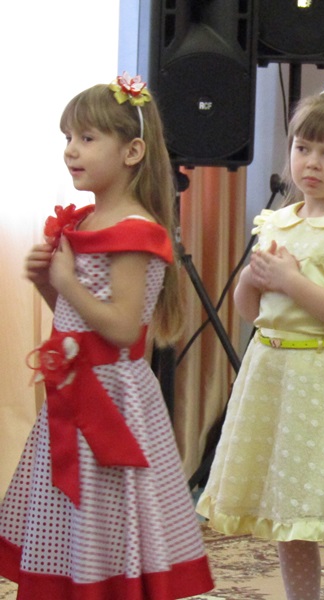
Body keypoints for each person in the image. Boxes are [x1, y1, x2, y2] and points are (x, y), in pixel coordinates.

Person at [0, 74, 214, 599]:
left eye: (87, 138)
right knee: (71, 509)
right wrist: (47, 284)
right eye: (67, 138)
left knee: (109, 507)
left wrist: (66, 281)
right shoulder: (86, 221)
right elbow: (77, 320)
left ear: (132, 151)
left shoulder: (136, 229)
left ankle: (104, 586)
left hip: (115, 399)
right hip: (75, 391)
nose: (71, 150)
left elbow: (119, 329)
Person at [196, 79, 324, 600]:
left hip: (319, 380)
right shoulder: (275, 222)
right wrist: (253, 279)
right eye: (302, 148)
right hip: (270, 373)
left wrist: (292, 281)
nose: (311, 162)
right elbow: (252, 312)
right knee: (285, 517)